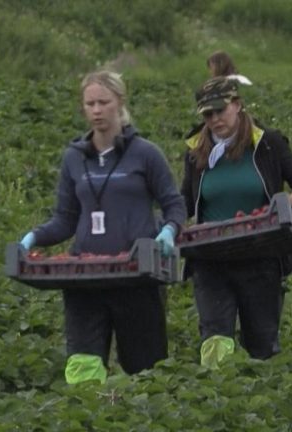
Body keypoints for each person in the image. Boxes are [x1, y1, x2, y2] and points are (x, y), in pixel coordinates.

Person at [18, 70, 186, 384]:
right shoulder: (74, 158)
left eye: (103, 102)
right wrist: (34, 237)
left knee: (145, 368)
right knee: (83, 364)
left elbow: (174, 204)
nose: (96, 110)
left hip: (137, 276)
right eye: (90, 104)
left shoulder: (146, 154)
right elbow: (65, 219)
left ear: (119, 103)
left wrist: (168, 231)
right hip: (85, 280)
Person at [180, 76, 292, 368]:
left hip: (260, 256)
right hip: (211, 259)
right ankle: (216, 395)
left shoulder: (267, 144)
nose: (215, 119)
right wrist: (169, 224)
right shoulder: (195, 151)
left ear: (238, 105)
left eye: (221, 111)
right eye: (208, 114)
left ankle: (259, 400)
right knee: (215, 338)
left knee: (262, 342)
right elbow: (185, 202)